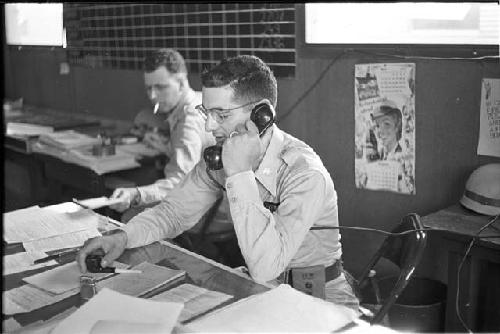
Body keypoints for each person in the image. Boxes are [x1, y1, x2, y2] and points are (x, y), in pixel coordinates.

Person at [77, 55, 359, 310]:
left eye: (222, 115)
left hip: (316, 293)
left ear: (263, 114)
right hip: (264, 286)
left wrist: (239, 175)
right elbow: (173, 213)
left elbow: (265, 266)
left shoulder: (304, 174)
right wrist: (123, 237)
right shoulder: (220, 158)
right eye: (206, 113)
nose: (210, 126)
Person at [109, 48, 215, 220]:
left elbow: (180, 183)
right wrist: (167, 146)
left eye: (160, 87)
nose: (152, 95)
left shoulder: (188, 120)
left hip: (210, 213)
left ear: (181, 83)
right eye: (149, 88)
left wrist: (136, 194)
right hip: (221, 202)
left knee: (131, 219)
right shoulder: (200, 100)